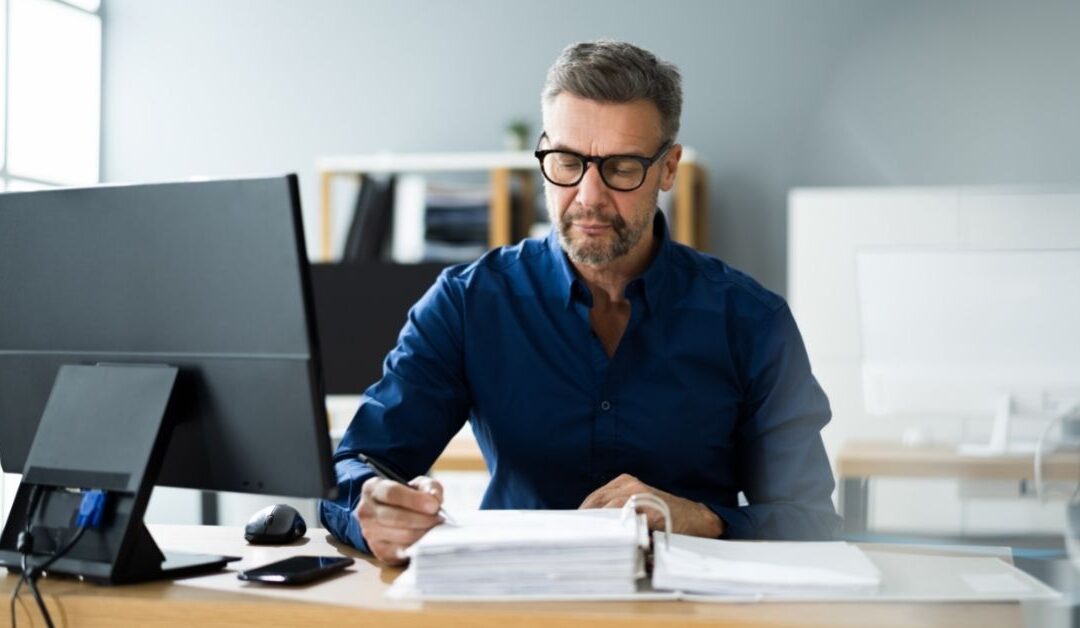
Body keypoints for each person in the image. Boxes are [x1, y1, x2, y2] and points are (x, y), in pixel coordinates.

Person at [320, 40, 842, 565]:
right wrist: (374, 507)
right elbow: (356, 466)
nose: (588, 197)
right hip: (510, 602)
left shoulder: (753, 322)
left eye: (620, 168)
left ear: (668, 169)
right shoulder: (468, 303)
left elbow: (812, 521)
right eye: (567, 162)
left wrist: (696, 517)